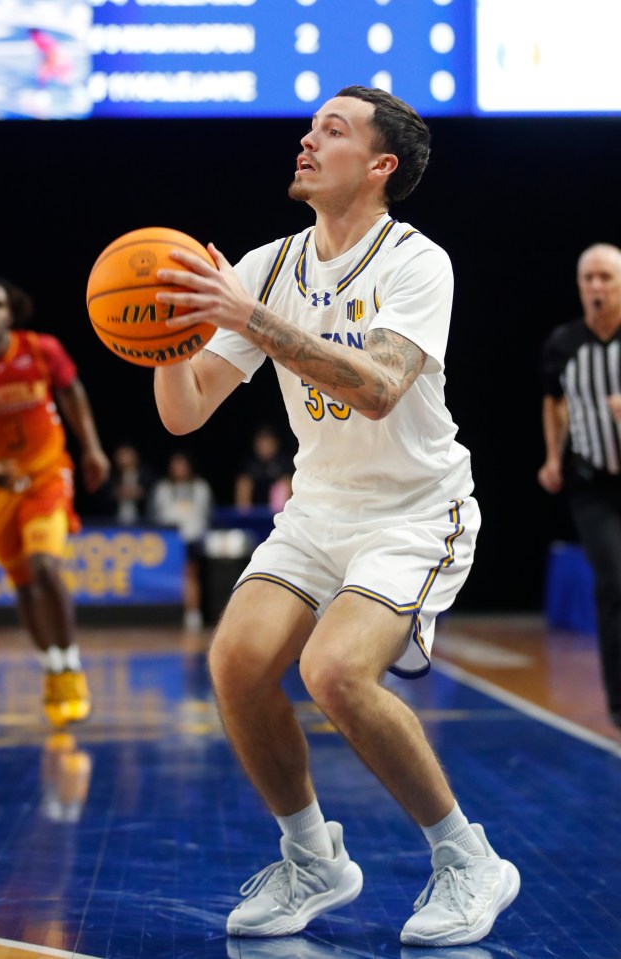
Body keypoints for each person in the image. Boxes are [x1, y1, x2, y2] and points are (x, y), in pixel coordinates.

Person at [152, 85, 520, 947]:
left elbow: (380, 388)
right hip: (318, 508)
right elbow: (186, 409)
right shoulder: (265, 266)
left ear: (380, 165)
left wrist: (252, 321)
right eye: (310, 125)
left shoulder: (416, 261)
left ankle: (469, 859)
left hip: (417, 511)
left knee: (336, 671)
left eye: (333, 129)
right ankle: (314, 858)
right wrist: (164, 343)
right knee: (238, 661)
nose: (307, 139)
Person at [0, 277, 110, 727]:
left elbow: (72, 392)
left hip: (47, 475)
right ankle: (50, 668)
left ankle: (70, 664)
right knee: (21, 585)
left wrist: (91, 448)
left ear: (10, 311)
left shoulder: (40, 349)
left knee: (44, 568)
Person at [538, 243, 621, 731]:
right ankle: (618, 703)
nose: (597, 287)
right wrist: (552, 456)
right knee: (613, 583)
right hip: (591, 482)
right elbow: (554, 402)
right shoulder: (563, 344)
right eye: (589, 278)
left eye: (606, 278)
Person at [149, 449, 214, 630]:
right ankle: (167, 614)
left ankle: (192, 613)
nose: (178, 468)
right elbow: (159, 515)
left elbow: (203, 515)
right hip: (169, 540)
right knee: (168, 576)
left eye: (182, 464)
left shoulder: (200, 487)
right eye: (175, 465)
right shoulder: (163, 488)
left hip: (191, 538)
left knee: (190, 575)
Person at [234, 424, 293, 512]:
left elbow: (288, 486)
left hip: (276, 510)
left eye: (267, 441)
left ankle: (281, 516)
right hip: (253, 510)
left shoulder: (283, 463)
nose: (264, 445)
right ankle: (244, 518)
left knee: (285, 484)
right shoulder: (249, 463)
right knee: (243, 483)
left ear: (275, 443)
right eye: (261, 442)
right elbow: (243, 486)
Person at [102, 441, 155, 524]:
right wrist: (116, 493)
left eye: (126, 454)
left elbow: (153, 496)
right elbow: (103, 498)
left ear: (135, 456)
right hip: (113, 521)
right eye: (120, 454)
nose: (123, 458)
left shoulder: (146, 475)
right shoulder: (111, 476)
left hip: (144, 522)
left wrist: (140, 493)